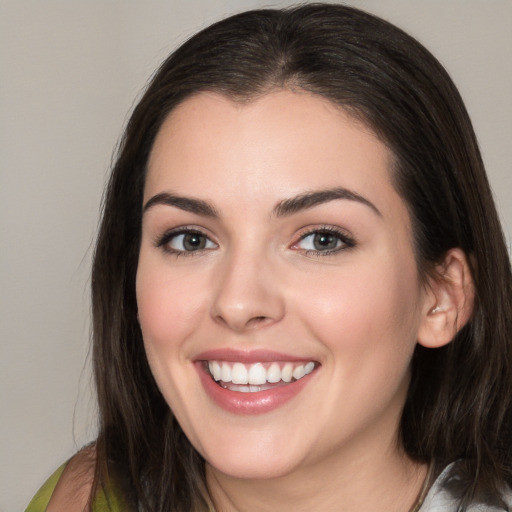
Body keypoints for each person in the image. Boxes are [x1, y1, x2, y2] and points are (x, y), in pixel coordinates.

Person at [27, 3, 512, 511]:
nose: (238, 303)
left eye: (322, 239)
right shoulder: (84, 498)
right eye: (191, 239)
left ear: (441, 297)